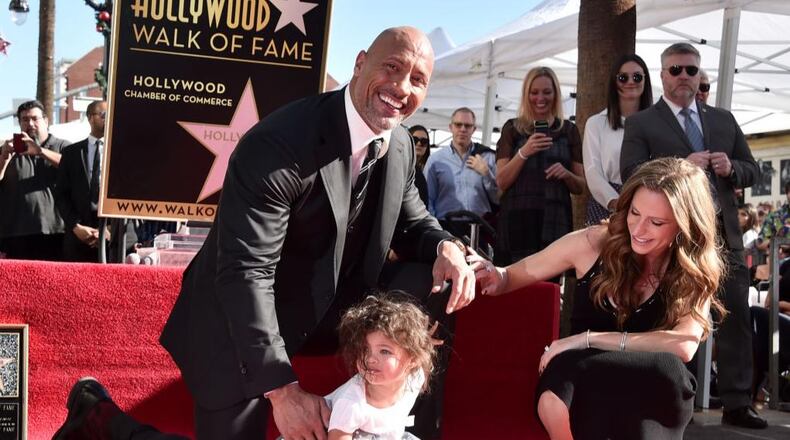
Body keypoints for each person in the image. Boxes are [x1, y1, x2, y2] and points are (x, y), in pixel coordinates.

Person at [52, 27, 475, 440]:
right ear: (360, 63)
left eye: (417, 79)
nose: (402, 87)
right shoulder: (280, 143)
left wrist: (449, 248)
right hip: (234, 322)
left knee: (431, 271)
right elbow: (245, 273)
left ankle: (408, 422)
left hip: (322, 313)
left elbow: (415, 224)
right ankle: (102, 419)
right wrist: (283, 390)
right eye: (392, 67)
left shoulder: (399, 144)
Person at [472, 157, 725, 439]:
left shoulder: (695, 269)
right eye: (634, 213)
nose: (638, 230)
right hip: (580, 380)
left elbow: (683, 346)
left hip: (648, 385)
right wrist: (491, 274)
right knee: (565, 370)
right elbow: (509, 277)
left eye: (655, 222)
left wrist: (587, 339)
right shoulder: (593, 243)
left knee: (668, 369)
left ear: (684, 225)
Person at [620, 42, 765, 428]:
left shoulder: (722, 120)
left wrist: (731, 166)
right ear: (663, 74)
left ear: (700, 75)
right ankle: (663, 398)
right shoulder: (642, 123)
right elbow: (630, 172)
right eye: (675, 70)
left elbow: (754, 170)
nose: (684, 77)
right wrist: (679, 165)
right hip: (673, 238)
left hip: (723, 236)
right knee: (670, 319)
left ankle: (737, 402)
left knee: (734, 319)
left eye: (691, 70)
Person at [493, 66, 584, 265]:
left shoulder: (568, 130)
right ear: (527, 94)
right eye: (534, 92)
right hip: (517, 218)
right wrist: (524, 152)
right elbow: (501, 181)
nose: (540, 98)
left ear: (556, 94)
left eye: (547, 92)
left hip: (554, 219)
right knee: (513, 286)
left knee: (548, 286)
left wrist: (566, 174)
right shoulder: (512, 128)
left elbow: (581, 186)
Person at [325, 293, 435, 440]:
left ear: (413, 360)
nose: (370, 359)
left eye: (384, 351)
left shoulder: (416, 377)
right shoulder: (351, 403)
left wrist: (421, 341)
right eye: (365, 349)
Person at [583, 54, 653, 225]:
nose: (631, 82)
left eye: (637, 77)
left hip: (650, 203)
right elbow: (592, 172)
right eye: (623, 77)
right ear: (615, 82)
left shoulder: (656, 123)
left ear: (645, 81)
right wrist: (618, 203)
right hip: (607, 204)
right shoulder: (596, 123)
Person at [0, 100, 67, 260]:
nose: (30, 123)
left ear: (46, 120)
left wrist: (40, 152)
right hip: (15, 234)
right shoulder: (8, 149)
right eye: (24, 119)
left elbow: (75, 169)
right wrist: (3, 157)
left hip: (56, 231)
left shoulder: (63, 146)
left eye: (34, 118)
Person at [423, 107, 497, 239]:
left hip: (481, 228)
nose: (463, 129)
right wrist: (434, 230)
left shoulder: (487, 157)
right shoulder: (435, 160)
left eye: (467, 126)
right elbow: (428, 199)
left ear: (474, 129)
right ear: (451, 127)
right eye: (458, 125)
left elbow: (498, 199)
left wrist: (486, 173)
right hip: (446, 227)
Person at [55, 100, 110, 262]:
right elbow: (61, 195)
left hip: (114, 238)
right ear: (90, 118)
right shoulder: (71, 153)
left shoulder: (122, 151)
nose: (109, 119)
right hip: (78, 237)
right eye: (104, 115)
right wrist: (76, 226)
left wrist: (111, 230)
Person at [408, 124, 431, 205]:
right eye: (415, 139)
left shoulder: (424, 169)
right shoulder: (404, 168)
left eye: (424, 141)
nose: (419, 143)